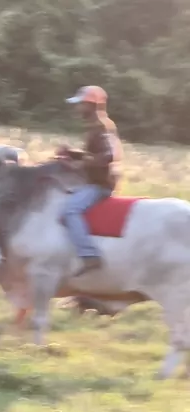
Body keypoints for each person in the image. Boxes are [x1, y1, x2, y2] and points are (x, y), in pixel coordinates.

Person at [58, 85, 122, 277]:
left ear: (91, 105)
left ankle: (89, 255)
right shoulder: (95, 125)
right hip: (93, 181)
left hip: (100, 185)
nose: (77, 108)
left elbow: (109, 155)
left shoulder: (102, 126)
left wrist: (80, 163)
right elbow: (93, 154)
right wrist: (71, 153)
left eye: (80, 104)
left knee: (70, 210)